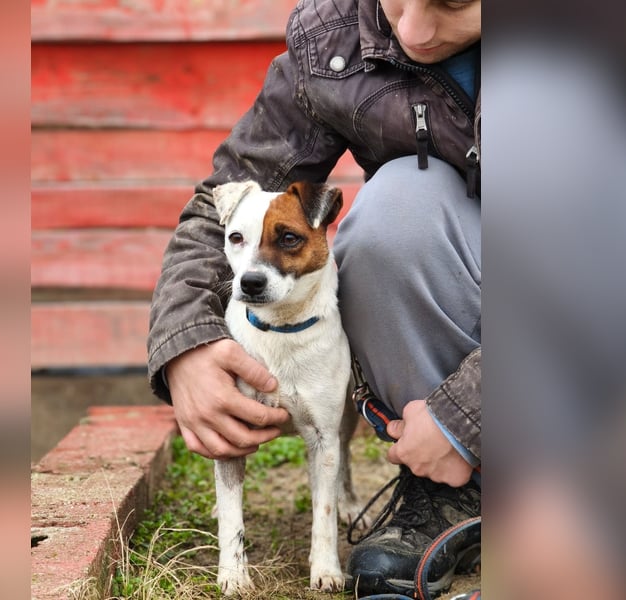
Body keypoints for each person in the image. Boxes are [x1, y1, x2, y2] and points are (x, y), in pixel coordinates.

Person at [147, 0, 481, 596]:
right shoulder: (334, 37)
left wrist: (468, 419)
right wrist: (186, 343)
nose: (411, 31)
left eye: (454, 2)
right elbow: (223, 196)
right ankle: (454, 489)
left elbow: (610, 269)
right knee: (397, 209)